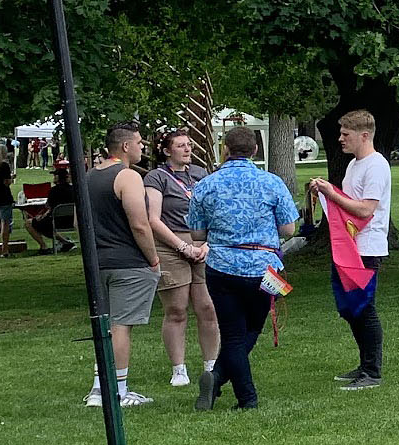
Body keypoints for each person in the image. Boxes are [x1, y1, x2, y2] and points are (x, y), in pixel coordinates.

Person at [186, 124, 299, 412]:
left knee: (234, 333)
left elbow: (197, 235)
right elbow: (289, 228)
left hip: (222, 268)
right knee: (251, 330)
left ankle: (218, 376)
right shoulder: (272, 182)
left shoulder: (206, 185)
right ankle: (245, 397)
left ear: (224, 149)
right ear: (255, 150)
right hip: (264, 268)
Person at [306, 108, 391, 389]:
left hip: (367, 248)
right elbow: (347, 205)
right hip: (349, 248)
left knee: (364, 308)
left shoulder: (376, 165)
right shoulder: (355, 165)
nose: (340, 139)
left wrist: (331, 193)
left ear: (364, 135)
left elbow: (366, 210)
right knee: (350, 308)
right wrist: (327, 192)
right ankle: (364, 365)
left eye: (346, 134)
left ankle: (372, 372)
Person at [79, 126, 164, 407]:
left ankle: (97, 389)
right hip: (128, 263)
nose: (143, 148)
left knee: (104, 325)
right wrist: (153, 258)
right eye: (140, 143)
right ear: (125, 147)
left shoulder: (89, 177)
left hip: (98, 263)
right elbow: (140, 224)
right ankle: (118, 390)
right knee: (121, 327)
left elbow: (80, 223)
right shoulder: (127, 177)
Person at [144, 129, 217, 388]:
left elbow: (214, 210)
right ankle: (179, 368)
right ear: (166, 151)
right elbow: (153, 219)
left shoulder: (200, 174)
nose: (187, 149)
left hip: (201, 243)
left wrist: (206, 243)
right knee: (176, 309)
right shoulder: (156, 177)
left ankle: (211, 365)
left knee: (207, 307)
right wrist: (182, 247)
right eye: (181, 146)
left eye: (189, 145)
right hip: (169, 243)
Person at [26, 162, 77, 252]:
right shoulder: (73, 190)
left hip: (56, 221)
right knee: (44, 224)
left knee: (29, 223)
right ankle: (66, 242)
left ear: (58, 178)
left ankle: (43, 246)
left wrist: (41, 217)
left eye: (54, 176)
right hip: (72, 220)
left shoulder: (54, 191)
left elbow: (49, 208)